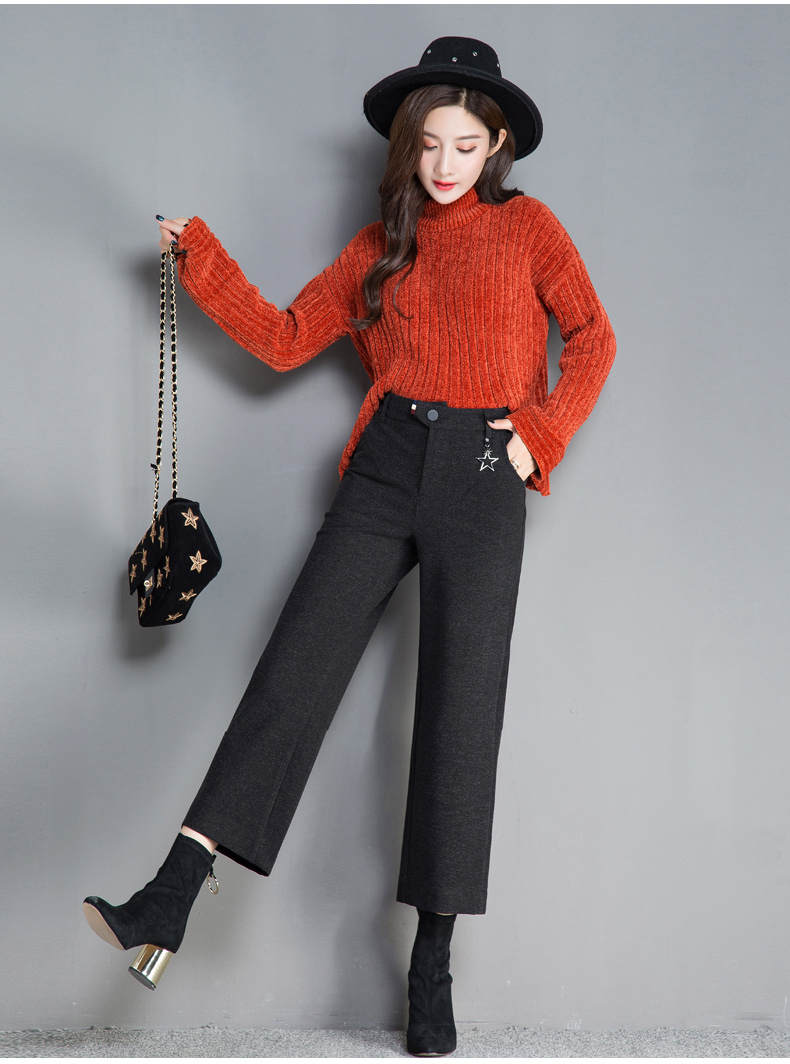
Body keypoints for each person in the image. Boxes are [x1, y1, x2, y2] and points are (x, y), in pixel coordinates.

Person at [83, 36, 616, 1056]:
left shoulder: (529, 229)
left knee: (461, 710)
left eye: (467, 145)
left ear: (497, 146)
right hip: (384, 463)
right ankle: (173, 890)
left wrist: (538, 436)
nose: (446, 164)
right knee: (294, 670)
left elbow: (593, 336)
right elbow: (286, 336)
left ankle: (431, 960)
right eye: (431, 144)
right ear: (408, 146)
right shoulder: (383, 243)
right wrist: (201, 259)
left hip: (482, 473)